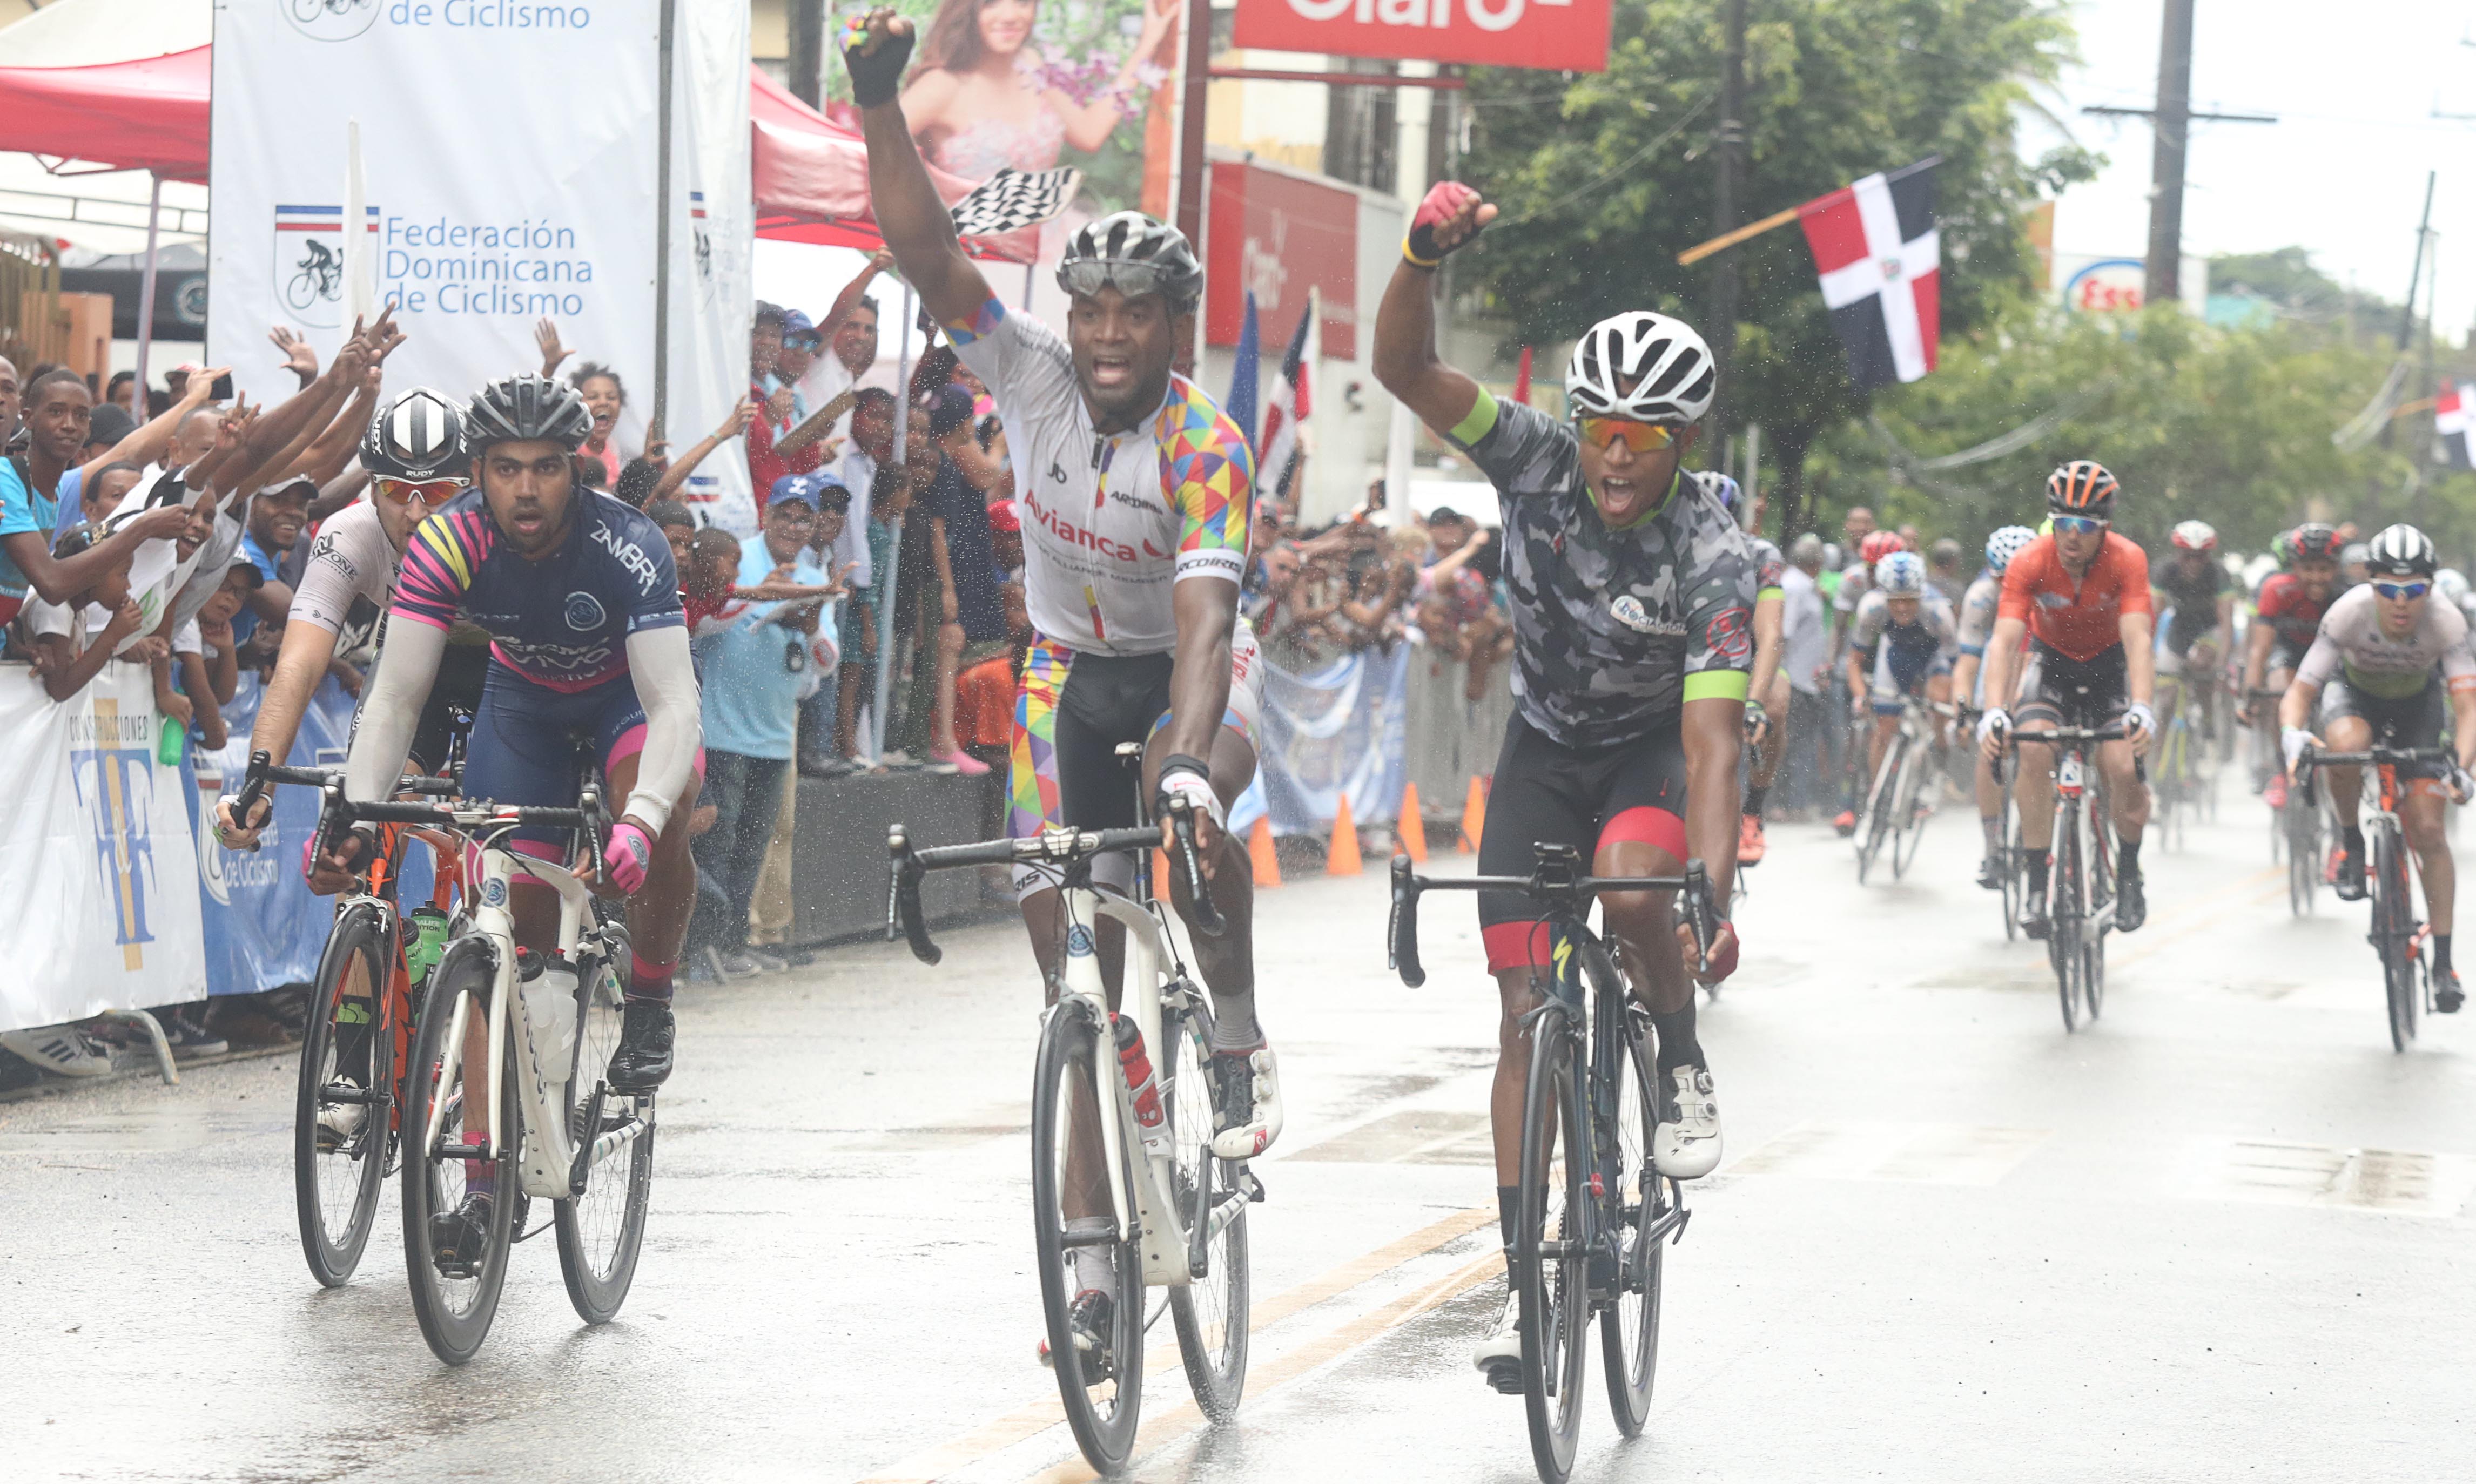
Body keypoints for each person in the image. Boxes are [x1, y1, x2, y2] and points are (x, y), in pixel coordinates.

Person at [850, 6, 1283, 1365]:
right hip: (1063, 671)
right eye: (1087, 310)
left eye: (1131, 316)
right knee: (1075, 987)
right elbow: (925, 251)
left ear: (1170, 326)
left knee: (1195, 804)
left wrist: (1182, 764)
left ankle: (1239, 1031)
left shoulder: (1207, 447)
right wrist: (876, 101)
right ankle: (1093, 1264)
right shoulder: (1024, 374)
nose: (1101, 336)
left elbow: (1207, 630)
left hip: (1183, 674)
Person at [1371, 178, 1750, 1393]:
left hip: (1648, 749)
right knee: (1523, 1006)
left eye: (1649, 436)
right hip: (1542, 747)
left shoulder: (1713, 550)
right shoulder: (1530, 453)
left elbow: (1711, 742)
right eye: (1605, 428)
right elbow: (1403, 368)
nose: (1619, 455)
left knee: (1638, 899)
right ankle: (1529, 1278)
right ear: (1578, 423)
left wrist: (1715, 875)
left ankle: (1680, 1057)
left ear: (1684, 444)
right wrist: (1422, 254)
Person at [324, 374, 703, 1273]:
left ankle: (649, 993)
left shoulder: (629, 544)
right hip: (521, 707)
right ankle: (489, 1177)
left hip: (623, 701)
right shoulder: (448, 540)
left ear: (574, 470)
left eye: (543, 468)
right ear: (476, 473)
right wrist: (356, 810)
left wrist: (642, 820)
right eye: (503, 469)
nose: (524, 489)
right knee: (511, 945)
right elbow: (397, 697)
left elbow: (675, 703)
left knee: (672, 801)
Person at [214, 387, 480, 880]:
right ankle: (365, 925)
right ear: (372, 488)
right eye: (399, 491)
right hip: (412, 667)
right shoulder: (350, 535)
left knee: (509, 830)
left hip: (506, 672)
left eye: (439, 492)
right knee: (354, 840)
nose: (418, 514)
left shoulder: (498, 534)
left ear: (471, 486)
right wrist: (259, 787)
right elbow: (299, 664)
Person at [2278, 524, 2476, 1010]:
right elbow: (2302, 692)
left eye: (2414, 591)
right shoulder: (2348, 613)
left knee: (2429, 831)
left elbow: (2468, 707)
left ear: (2430, 589)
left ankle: (2444, 962)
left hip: (2417, 710)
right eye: (2389, 589)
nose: (2402, 602)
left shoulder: (2447, 622)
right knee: (2345, 746)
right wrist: (2292, 735)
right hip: (2356, 698)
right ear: (2371, 586)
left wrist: (2464, 767)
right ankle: (2350, 843)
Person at [1976, 462, 2156, 936]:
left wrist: (2142, 705)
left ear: (2105, 528)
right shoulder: (2031, 561)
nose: (2071, 537)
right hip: (2051, 663)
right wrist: (1995, 709)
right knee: (2032, 747)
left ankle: (2130, 874)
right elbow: (2005, 639)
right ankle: (2038, 881)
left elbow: (2139, 639)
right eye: (2062, 524)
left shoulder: (2128, 559)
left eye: (2084, 526)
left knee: (2121, 766)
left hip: (2109, 668)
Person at [690, 477, 840, 979]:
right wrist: (760, 601)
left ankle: (732, 946)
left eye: (804, 518)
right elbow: (704, 618)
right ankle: (702, 952)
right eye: (785, 515)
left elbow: (827, 662)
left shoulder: (818, 572)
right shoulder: (736, 557)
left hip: (776, 736)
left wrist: (812, 622)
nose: (793, 527)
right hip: (722, 730)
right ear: (766, 514)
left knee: (752, 848)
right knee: (719, 843)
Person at [898, 0, 1179, 179]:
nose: (1010, 15)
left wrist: (1148, 43)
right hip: (968, 257)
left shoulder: (1031, 65)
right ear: (967, 9)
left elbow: (1089, 132)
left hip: (1042, 248)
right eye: (991, 3)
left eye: (1023, 2)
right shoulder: (941, 85)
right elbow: (870, 155)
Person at [1951, 525, 2036, 888]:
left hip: (2038, 658)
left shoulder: (2049, 589)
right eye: (2002, 578)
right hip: (2000, 659)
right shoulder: (1982, 596)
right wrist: (1964, 707)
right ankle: (1992, 847)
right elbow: (1968, 661)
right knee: (1991, 751)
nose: (2009, 585)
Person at [2242, 522, 2343, 806]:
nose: (2316, 577)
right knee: (2278, 691)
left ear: (2336, 569)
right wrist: (2251, 695)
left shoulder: (2346, 594)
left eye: (2324, 569)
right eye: (2308, 569)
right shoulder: (2276, 590)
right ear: (2293, 567)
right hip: (2289, 653)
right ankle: (2281, 770)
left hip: (2331, 660)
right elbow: (2260, 650)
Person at [1844, 549, 1959, 796]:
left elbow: (1957, 665)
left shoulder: (1938, 611)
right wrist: (1861, 696)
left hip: (1933, 656)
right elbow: (1854, 661)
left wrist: (1956, 706)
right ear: (1884, 595)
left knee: (1938, 701)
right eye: (1895, 600)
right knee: (1883, 727)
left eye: (1910, 599)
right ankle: (1878, 796)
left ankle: (1938, 763)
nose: (1903, 607)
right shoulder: (1871, 608)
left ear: (1921, 594)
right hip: (1896, 655)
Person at [2152, 519, 2233, 739]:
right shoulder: (2164, 571)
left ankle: (2208, 719)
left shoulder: (2218, 573)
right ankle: (2156, 757)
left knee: (2202, 663)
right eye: (2187, 556)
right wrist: (2146, 656)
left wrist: (2222, 662)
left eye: (2201, 556)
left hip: (2209, 628)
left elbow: (2226, 621)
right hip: (2180, 629)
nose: (2194, 563)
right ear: (2177, 553)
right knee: (2166, 698)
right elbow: (2153, 615)